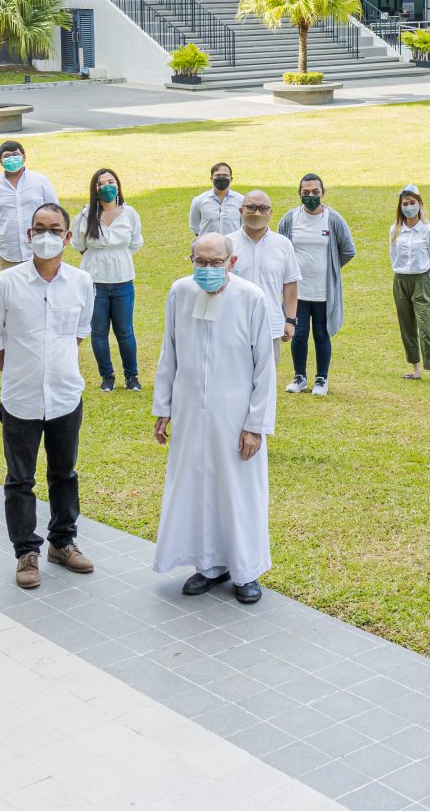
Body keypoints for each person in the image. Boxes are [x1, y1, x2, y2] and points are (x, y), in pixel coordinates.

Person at [152, 233, 281, 604]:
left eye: (215, 263)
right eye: (200, 262)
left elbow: (264, 369)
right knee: (197, 487)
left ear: (232, 262)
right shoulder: (180, 292)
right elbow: (170, 351)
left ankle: (245, 569)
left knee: (238, 492)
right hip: (192, 412)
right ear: (190, 259)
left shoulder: (251, 298)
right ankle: (209, 564)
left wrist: (255, 425)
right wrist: (164, 407)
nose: (207, 270)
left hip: (235, 414)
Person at [0, 202, 97, 590]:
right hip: (20, 398)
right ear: (29, 235)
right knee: (20, 478)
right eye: (39, 228)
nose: (46, 235)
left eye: (55, 229)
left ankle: (62, 543)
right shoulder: (6, 283)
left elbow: (79, 333)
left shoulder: (82, 283)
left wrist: (53, 369)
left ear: (67, 237)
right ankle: (26, 552)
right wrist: (21, 371)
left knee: (64, 472)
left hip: (65, 396)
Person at [276, 174, 355, 394]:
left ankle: (321, 379)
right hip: (298, 291)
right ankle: (299, 377)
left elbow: (348, 250)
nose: (310, 196)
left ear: (323, 193)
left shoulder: (333, 219)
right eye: (306, 192)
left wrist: (330, 269)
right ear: (299, 193)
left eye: (315, 192)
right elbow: (279, 248)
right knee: (298, 333)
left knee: (322, 333)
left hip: (323, 292)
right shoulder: (290, 219)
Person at [72, 167, 143, 393]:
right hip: (95, 283)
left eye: (110, 181)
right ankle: (107, 376)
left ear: (118, 184)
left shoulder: (129, 213)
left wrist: (116, 258)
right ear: (95, 189)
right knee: (99, 330)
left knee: (125, 330)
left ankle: (131, 376)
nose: (106, 186)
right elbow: (79, 246)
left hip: (123, 280)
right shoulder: (85, 215)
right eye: (101, 183)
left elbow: (135, 243)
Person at [228, 190, 302, 389]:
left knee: (264, 384)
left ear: (271, 212)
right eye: (251, 208)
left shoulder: (283, 245)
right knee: (233, 382)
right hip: (233, 325)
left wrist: (290, 320)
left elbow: (290, 284)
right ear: (241, 210)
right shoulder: (227, 244)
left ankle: (260, 421)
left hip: (271, 325)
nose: (257, 213)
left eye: (262, 208)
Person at [389, 185, 430, 385]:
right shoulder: (395, 230)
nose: (409, 207)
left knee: (425, 327)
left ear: (420, 204)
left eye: (412, 203)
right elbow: (393, 255)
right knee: (406, 325)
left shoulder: (429, 230)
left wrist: (427, 279)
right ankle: (415, 368)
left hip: (421, 279)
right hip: (401, 279)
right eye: (405, 204)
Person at [0, 140, 58, 270]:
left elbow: (54, 209)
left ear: (24, 157)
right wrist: (1, 226)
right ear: (0, 161)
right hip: (8, 251)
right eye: (6, 156)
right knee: (12, 287)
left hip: (40, 247)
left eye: (15, 154)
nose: (11, 158)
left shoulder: (40, 181)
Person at [188, 162, 242, 236]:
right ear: (211, 178)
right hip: (207, 246)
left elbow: (244, 226)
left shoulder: (241, 200)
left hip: (233, 246)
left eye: (225, 175)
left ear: (231, 179)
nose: (221, 178)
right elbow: (194, 226)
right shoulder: (199, 200)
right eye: (218, 175)